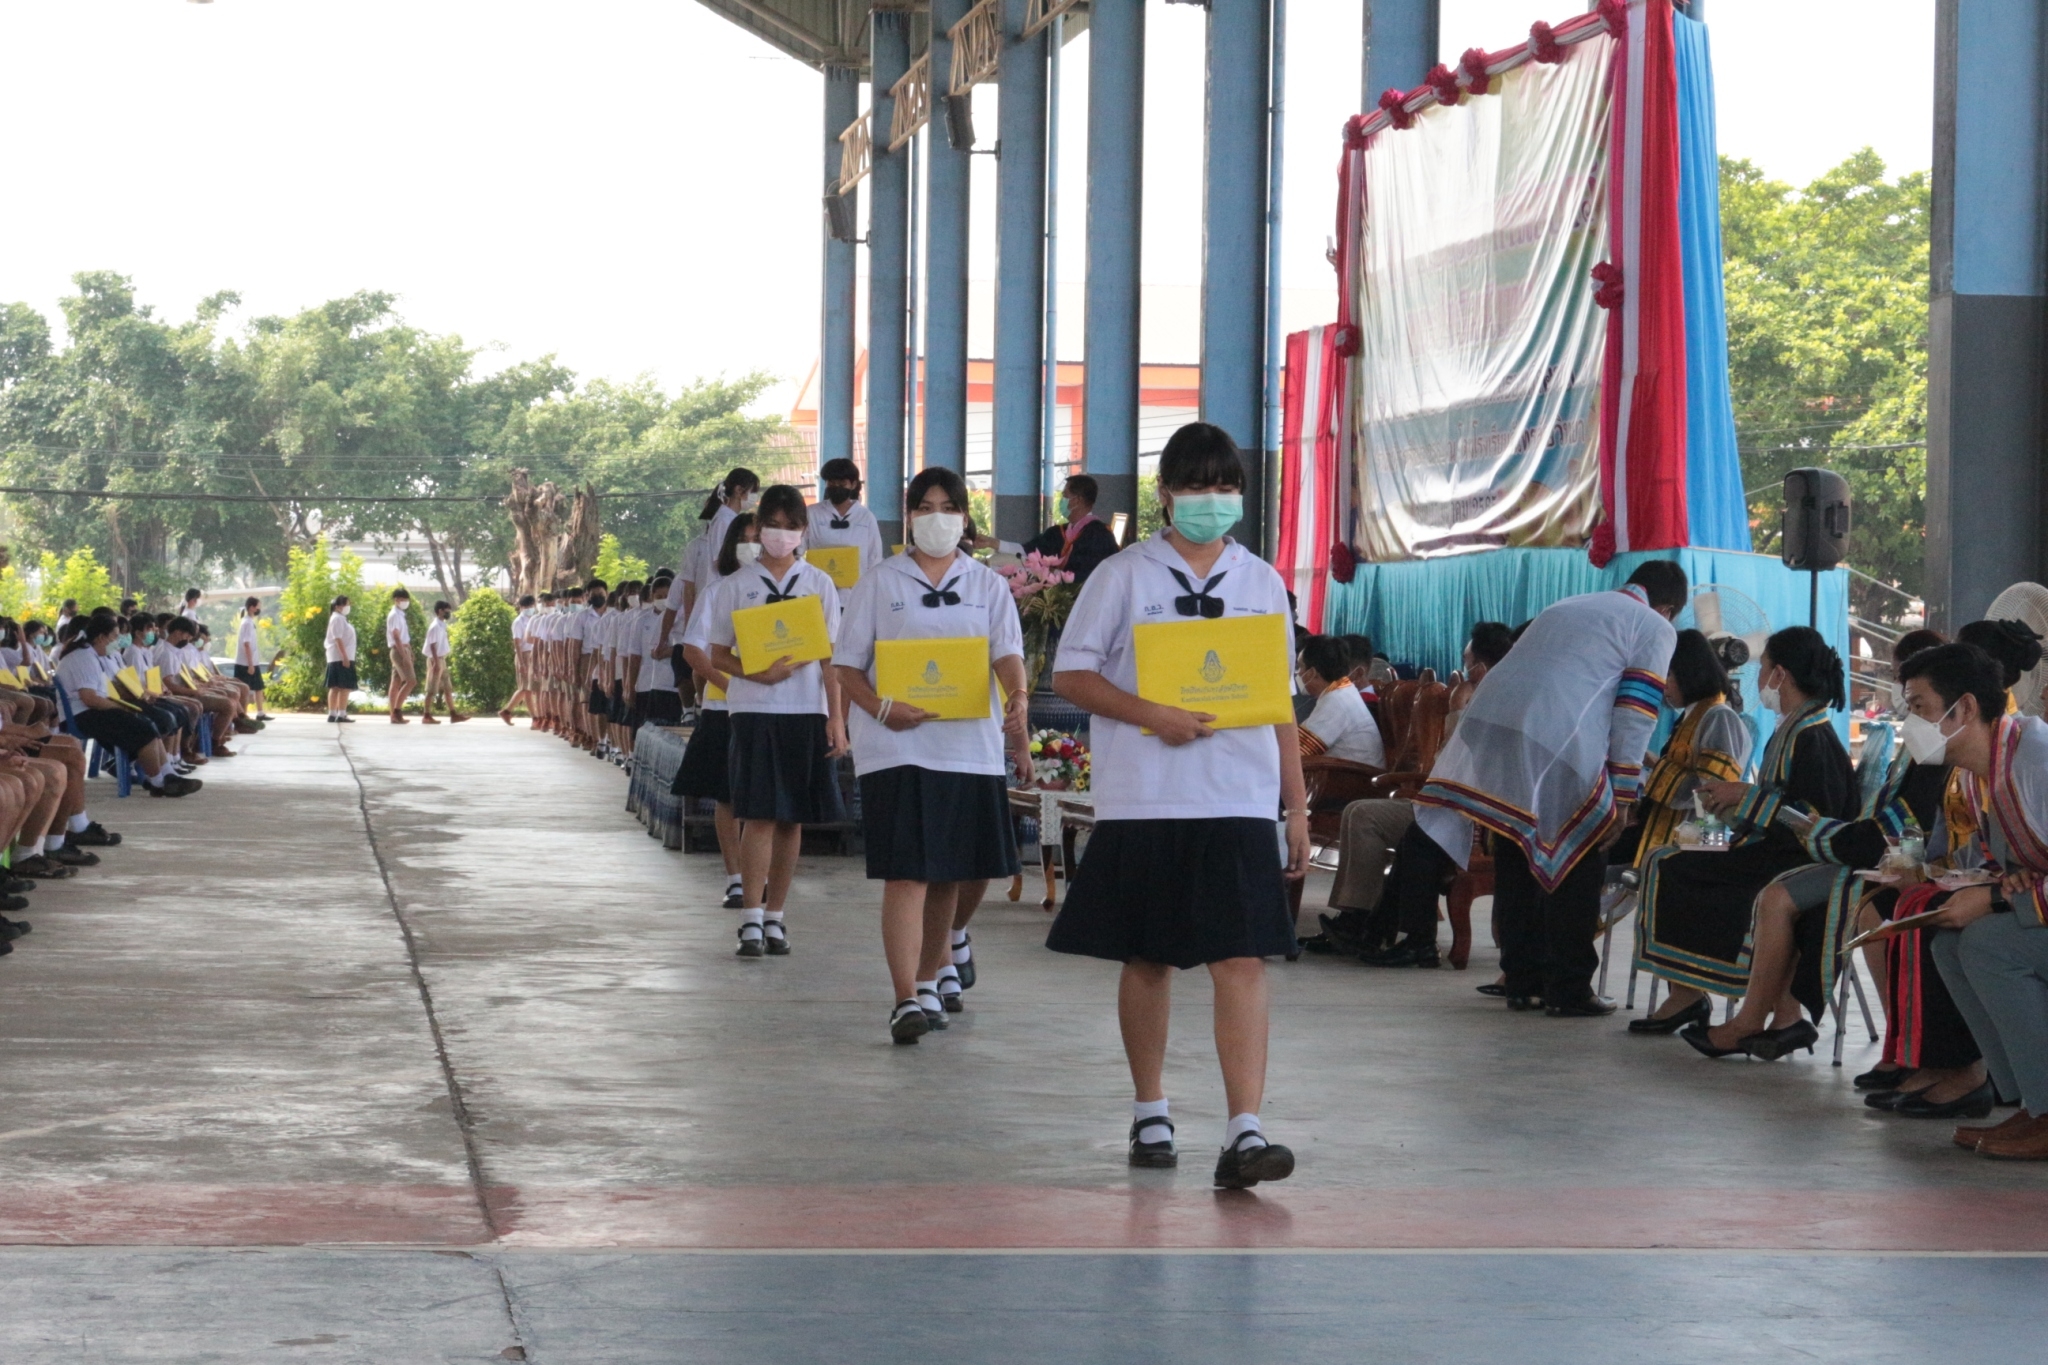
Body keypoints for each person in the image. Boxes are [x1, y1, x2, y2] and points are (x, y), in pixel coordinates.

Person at [1046, 422, 1309, 1190]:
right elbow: (1071, 675)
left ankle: (1245, 1129)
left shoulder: (1262, 581)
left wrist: (1295, 805)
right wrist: (1149, 713)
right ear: (1165, 493)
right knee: (1149, 956)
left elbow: (1278, 702)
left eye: (1225, 486)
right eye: (1196, 485)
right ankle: (1150, 1107)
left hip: (1238, 796)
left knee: (1242, 956)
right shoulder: (1123, 575)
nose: (1211, 499)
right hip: (1146, 797)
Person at [1400, 560, 1686, 1012]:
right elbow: (1635, 713)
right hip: (1557, 736)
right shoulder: (1653, 626)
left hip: (1493, 726)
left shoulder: (1567, 604)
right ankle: (1568, 989)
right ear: (1667, 608)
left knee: (1517, 849)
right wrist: (1623, 794)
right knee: (1582, 856)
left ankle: (1522, 979)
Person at [1675, 633, 1963, 1076]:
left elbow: (1844, 823)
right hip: (1831, 847)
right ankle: (1737, 1009)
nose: (1906, 710)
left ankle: (1713, 1005)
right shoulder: (1794, 730)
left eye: (1915, 702)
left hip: (1820, 851)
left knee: (1720, 878)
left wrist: (1752, 805)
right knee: (1677, 858)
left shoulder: (1810, 735)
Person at [833, 467, 1031, 1043]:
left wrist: (1018, 699)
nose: (936, 518)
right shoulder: (880, 581)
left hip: (967, 746)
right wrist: (881, 707)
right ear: (909, 516)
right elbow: (846, 666)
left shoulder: (987, 584)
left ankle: (927, 978)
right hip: (895, 746)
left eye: (948, 507)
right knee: (907, 873)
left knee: (949, 873)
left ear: (965, 518)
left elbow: (1006, 653)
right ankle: (903, 999)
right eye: (925, 507)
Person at [1631, 627, 1859, 1042]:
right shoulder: (1792, 728)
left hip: (1792, 858)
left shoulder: (1810, 735)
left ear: (1780, 675)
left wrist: (1743, 797)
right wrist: (1734, 807)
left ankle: (1695, 995)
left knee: (1670, 862)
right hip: (1762, 841)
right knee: (1669, 853)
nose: (1759, 679)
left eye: (1764, 668)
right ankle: (1686, 992)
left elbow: (1812, 821)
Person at [1888, 644, 2048, 1158]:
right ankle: (2032, 1102)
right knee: (1949, 946)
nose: (1911, 722)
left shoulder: (2036, 761)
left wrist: (1996, 901)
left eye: (1920, 707)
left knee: (1987, 945)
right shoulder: (1978, 772)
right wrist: (1997, 885)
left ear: (1965, 708)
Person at [702, 485, 848, 957]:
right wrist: (757, 673)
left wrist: (836, 717)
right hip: (753, 711)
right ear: (758, 527)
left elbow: (831, 659)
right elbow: (717, 653)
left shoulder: (819, 584)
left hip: (805, 712)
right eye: (773, 525)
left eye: (790, 526)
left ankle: (776, 917)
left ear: (803, 532)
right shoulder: (736, 585)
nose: (781, 535)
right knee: (759, 814)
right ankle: (750, 916)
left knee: (791, 820)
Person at [675, 512, 760, 912]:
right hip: (723, 707)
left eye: (759, 538)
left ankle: (761, 880)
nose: (753, 546)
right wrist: (731, 685)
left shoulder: (791, 593)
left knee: (764, 802)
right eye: (745, 539)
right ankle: (736, 879)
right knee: (727, 797)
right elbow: (694, 651)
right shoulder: (717, 591)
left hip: (771, 710)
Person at [54, 615, 200, 795]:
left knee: (148, 723)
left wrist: (123, 705)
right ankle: (158, 782)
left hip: (93, 710)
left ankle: (168, 774)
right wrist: (120, 708)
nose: (117, 642)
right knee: (142, 727)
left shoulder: (91, 654)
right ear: (101, 637)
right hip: (82, 715)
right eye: (115, 637)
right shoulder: (83, 657)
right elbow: (89, 698)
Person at [1295, 635, 1385, 767]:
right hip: (1345, 773)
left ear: (1312, 672)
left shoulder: (1336, 701)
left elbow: (1299, 752)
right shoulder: (1340, 692)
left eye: (1300, 667)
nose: (1298, 673)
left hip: (1356, 777)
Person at [1020, 474, 1120, 586]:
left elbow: (1097, 574)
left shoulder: (1100, 535)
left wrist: (1056, 574)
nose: (1061, 501)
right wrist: (1001, 545)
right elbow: (1026, 551)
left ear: (1077, 501)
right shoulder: (1056, 533)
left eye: (1064, 496)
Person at [803, 457, 887, 584]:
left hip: (856, 589)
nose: (836, 487)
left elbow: (875, 558)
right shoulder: (812, 513)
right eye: (832, 483)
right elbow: (798, 550)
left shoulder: (866, 517)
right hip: (819, 587)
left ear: (853, 485)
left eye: (842, 484)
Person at [421, 599, 467, 724]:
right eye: (446, 610)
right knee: (431, 689)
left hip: (442, 660)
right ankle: (426, 715)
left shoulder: (442, 625)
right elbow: (432, 645)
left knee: (448, 688)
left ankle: (453, 714)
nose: (448, 612)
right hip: (435, 660)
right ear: (440, 611)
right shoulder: (435, 626)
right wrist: (436, 662)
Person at [234, 597, 277, 722]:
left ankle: (260, 712)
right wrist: (250, 664)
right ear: (251, 607)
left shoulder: (249, 622)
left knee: (258, 687)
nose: (259, 609)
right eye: (258, 607)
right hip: (245, 663)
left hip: (252, 661)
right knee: (244, 690)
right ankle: (242, 715)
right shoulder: (247, 623)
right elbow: (246, 644)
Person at [324, 595, 357, 722]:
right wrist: (345, 657)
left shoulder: (339, 618)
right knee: (344, 687)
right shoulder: (337, 618)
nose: (348, 607)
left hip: (337, 656)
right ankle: (341, 714)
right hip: (341, 657)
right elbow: (338, 639)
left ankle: (333, 714)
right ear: (338, 606)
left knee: (336, 687)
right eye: (346, 604)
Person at [506, 594, 538, 724]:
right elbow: (517, 643)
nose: (529, 608)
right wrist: (521, 662)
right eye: (526, 606)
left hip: (533, 654)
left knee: (527, 688)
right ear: (521, 607)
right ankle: (535, 718)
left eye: (531, 605)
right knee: (526, 688)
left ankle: (507, 711)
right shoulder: (519, 622)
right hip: (524, 654)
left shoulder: (534, 619)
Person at [386, 589, 416, 722]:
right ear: (396, 600)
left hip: (402, 648)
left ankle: (393, 715)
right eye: (402, 599)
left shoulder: (400, 614)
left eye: (406, 599)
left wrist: (410, 651)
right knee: (411, 681)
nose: (405, 602)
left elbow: (403, 637)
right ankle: (396, 711)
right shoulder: (395, 615)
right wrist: (404, 656)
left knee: (396, 682)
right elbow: (396, 636)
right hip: (399, 650)